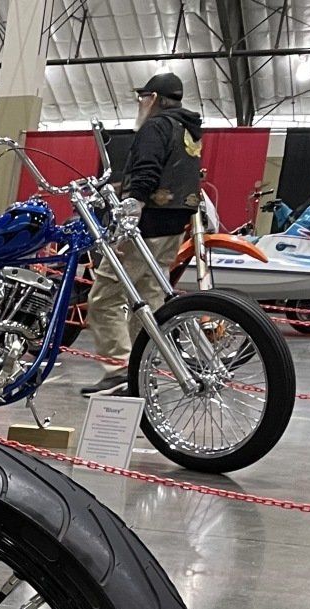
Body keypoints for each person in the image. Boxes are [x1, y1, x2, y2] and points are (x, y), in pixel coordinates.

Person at [81, 71, 203, 394]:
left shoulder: (156, 126)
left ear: (154, 99)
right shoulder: (189, 129)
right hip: (174, 227)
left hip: (146, 227)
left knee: (104, 297)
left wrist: (132, 204)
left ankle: (118, 369)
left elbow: (147, 170)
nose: (140, 103)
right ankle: (142, 370)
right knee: (149, 300)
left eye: (143, 97)